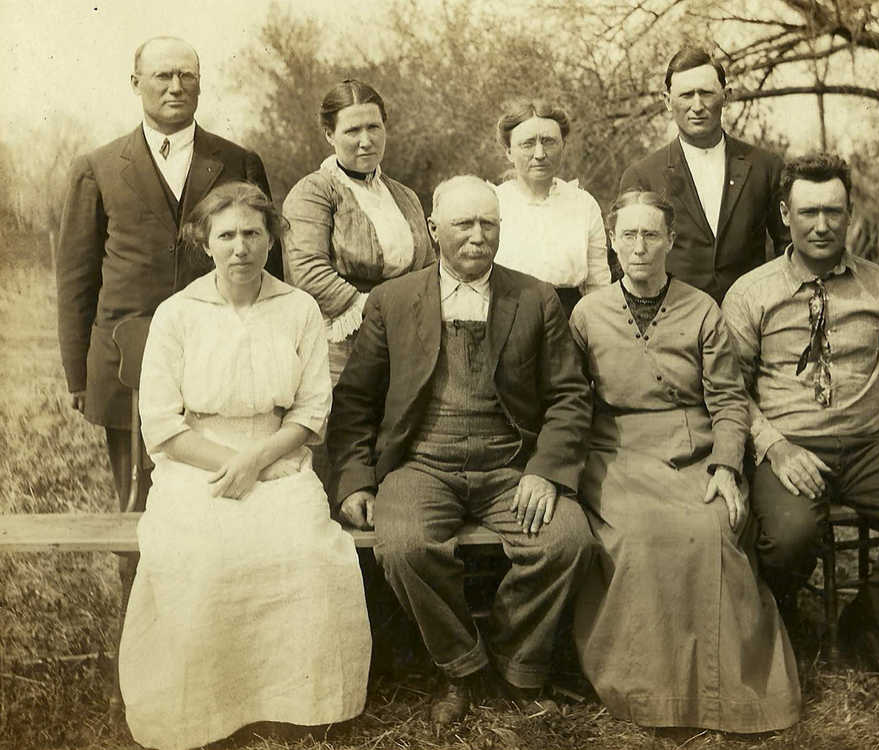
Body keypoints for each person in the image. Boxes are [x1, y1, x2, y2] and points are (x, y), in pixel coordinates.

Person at [55, 35, 280, 713]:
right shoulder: (98, 167)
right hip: (130, 363)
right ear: (136, 83)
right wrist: (77, 374)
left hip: (227, 361)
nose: (176, 86)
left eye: (188, 75)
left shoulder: (236, 161)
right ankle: (144, 657)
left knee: (228, 493)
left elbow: (271, 263)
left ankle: (227, 645)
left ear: (201, 84)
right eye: (162, 76)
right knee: (139, 509)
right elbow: (75, 277)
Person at [328, 175, 597, 725]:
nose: (477, 237)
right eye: (463, 224)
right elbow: (355, 399)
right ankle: (461, 668)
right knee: (404, 546)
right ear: (433, 231)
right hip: (422, 463)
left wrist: (545, 471)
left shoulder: (534, 296)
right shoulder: (393, 300)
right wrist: (356, 480)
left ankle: (516, 665)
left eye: (488, 224)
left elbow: (570, 395)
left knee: (567, 541)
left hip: (510, 466)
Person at [118, 182, 371, 750]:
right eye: (226, 235)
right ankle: (204, 711)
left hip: (279, 456)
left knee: (306, 551)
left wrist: (259, 460)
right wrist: (232, 464)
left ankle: (293, 704)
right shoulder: (178, 313)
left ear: (272, 238)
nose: (240, 248)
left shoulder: (299, 308)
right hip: (194, 463)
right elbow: (161, 424)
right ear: (204, 243)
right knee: (204, 556)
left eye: (252, 234)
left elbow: (310, 411)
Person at [722, 153, 879, 679]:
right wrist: (776, 445)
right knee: (787, 539)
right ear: (786, 215)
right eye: (808, 212)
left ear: (850, 214)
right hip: (786, 447)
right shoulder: (751, 293)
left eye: (834, 211)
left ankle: (869, 626)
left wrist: (862, 407)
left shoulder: (878, 285)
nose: (822, 225)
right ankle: (784, 620)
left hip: (868, 444)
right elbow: (729, 390)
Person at [570, 190, 800, 732]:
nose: (640, 246)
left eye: (652, 235)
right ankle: (650, 693)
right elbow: (572, 401)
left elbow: (727, 401)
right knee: (641, 536)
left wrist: (725, 466)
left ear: (671, 241)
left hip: (694, 450)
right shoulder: (587, 313)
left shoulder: (702, 309)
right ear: (611, 241)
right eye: (629, 234)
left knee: (714, 529)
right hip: (616, 451)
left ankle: (730, 694)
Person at [283, 78, 435, 492]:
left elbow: (428, 268)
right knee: (342, 438)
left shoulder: (404, 196)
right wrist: (376, 311)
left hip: (402, 337)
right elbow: (308, 270)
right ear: (329, 134)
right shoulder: (314, 193)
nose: (366, 141)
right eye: (352, 130)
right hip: (337, 341)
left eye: (374, 128)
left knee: (397, 435)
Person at [619, 47, 787, 304]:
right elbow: (628, 263)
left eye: (706, 93)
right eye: (686, 95)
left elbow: (788, 251)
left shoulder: (765, 167)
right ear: (667, 101)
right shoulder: (643, 176)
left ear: (726, 96)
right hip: (672, 323)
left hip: (751, 320)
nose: (697, 106)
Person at [493, 98, 611, 314]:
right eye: (528, 144)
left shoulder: (583, 204)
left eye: (548, 141)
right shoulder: (492, 203)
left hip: (569, 319)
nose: (539, 154)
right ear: (508, 152)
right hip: (505, 318)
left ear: (563, 146)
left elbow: (598, 285)